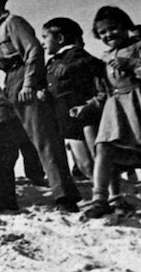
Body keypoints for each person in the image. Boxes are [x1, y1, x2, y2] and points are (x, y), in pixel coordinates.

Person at [0, 0, 81, 213]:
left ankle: (65, 196)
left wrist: (29, 84)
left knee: (43, 137)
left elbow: (34, 50)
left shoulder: (14, 22)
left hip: (24, 77)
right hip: (9, 82)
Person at [80, 7, 141, 219]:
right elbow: (104, 89)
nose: (108, 34)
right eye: (102, 32)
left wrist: (130, 64)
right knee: (104, 148)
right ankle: (100, 199)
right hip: (116, 107)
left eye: (113, 28)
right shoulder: (105, 57)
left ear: (125, 26)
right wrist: (88, 105)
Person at [43, 17, 107, 182]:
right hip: (65, 116)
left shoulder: (75, 54)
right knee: (83, 162)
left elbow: (95, 64)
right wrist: (41, 91)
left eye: (45, 37)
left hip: (84, 113)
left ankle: (105, 192)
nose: (43, 43)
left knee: (97, 157)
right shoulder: (51, 62)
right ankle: (98, 189)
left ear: (60, 39)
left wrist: (71, 67)